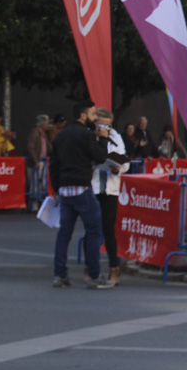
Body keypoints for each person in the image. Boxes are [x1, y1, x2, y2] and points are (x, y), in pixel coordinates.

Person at [48, 101, 109, 288]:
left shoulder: (61, 136)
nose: (95, 118)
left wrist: (57, 189)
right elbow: (100, 157)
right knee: (94, 231)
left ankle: (60, 275)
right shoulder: (87, 134)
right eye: (92, 114)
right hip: (82, 187)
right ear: (83, 116)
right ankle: (94, 275)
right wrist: (104, 139)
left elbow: (54, 165)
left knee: (64, 233)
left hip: (66, 189)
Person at [91, 107, 129, 289]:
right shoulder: (90, 136)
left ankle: (114, 267)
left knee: (108, 228)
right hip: (94, 185)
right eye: (100, 125)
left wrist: (118, 167)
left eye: (107, 125)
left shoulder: (116, 137)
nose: (104, 129)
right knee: (91, 229)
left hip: (111, 188)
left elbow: (125, 161)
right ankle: (90, 268)